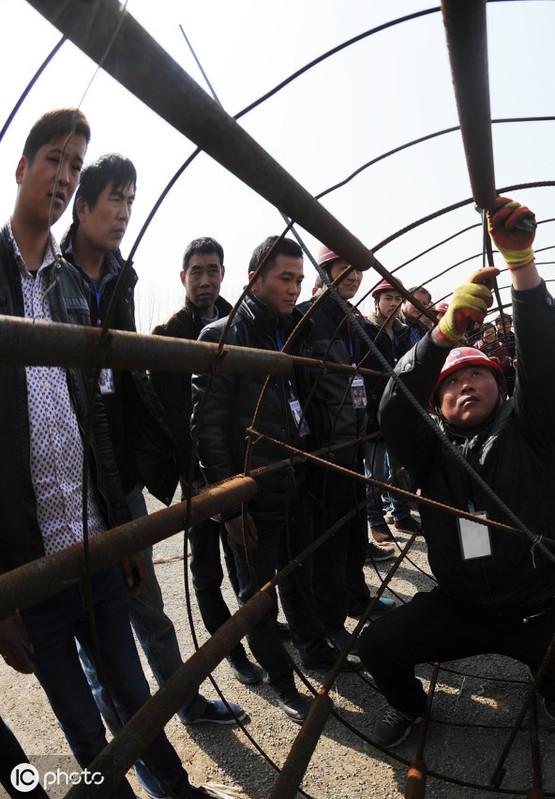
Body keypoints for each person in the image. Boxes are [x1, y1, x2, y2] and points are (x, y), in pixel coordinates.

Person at [0, 108, 216, 799]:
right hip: (30, 564)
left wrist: (123, 529)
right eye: (54, 160)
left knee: (136, 700)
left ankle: (178, 794)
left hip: (93, 538)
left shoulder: (69, 288)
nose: (64, 176)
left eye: (75, 163)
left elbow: (94, 414)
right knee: (85, 733)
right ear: (22, 168)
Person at [360, 198, 555, 745]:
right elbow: (392, 408)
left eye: (478, 376)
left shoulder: (532, 430)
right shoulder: (429, 450)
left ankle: (550, 681)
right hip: (462, 605)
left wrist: (521, 265)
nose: (464, 386)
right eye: (452, 384)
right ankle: (409, 707)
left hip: (535, 607)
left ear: (500, 385)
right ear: (438, 403)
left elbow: (546, 362)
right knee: (378, 644)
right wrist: (442, 335)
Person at [60, 159, 247, 776]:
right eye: (113, 199)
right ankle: (135, 758)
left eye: (131, 201)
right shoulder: (51, 282)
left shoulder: (119, 280)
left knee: (147, 603)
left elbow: (124, 386)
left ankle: (185, 700)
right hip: (71, 479)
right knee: (99, 633)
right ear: (81, 207)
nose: (122, 212)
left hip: (121, 475)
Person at [194, 235, 355, 723]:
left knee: (299, 575)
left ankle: (314, 651)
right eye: (284, 278)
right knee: (257, 595)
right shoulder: (223, 336)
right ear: (254, 279)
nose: (293, 289)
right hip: (252, 491)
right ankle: (283, 684)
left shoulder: (285, 333)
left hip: (291, 482)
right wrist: (231, 506)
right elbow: (208, 429)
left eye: (299, 280)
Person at [151, 237, 261, 687]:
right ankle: (228, 648)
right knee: (206, 565)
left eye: (213, 270)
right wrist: (189, 475)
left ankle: (256, 626)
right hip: (196, 472)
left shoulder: (238, 323)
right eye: (196, 271)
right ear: (183, 278)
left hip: (235, 462)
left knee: (246, 553)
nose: (205, 279)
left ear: (223, 273)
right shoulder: (166, 335)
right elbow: (165, 417)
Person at [296, 248, 393, 646]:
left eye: (357, 272)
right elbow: (300, 385)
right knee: (329, 540)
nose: (353, 278)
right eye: (345, 270)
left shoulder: (349, 319)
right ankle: (329, 623)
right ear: (326, 272)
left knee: (353, 532)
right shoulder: (307, 317)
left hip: (350, 441)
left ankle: (357, 598)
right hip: (325, 447)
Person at [361, 278, 418, 546]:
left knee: (399, 465)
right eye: (388, 299)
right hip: (373, 408)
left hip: (398, 408)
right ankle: (375, 519)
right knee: (374, 471)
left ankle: (401, 512)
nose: (393, 304)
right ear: (377, 301)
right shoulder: (366, 329)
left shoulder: (404, 332)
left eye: (397, 300)